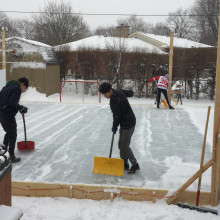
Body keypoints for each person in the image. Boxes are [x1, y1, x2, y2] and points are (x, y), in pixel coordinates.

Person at [99, 82, 140, 174]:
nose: (105, 96)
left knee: (124, 146)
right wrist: (128, 94)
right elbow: (130, 93)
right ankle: (124, 163)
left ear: (110, 91)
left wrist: (114, 126)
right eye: (103, 94)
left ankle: (135, 164)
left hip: (128, 123)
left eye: (105, 93)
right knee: (120, 145)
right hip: (126, 121)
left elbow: (117, 116)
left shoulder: (114, 100)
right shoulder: (118, 91)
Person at [0, 77, 29, 163]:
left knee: (9, 132)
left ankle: (3, 152)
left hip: (1, 112)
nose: (24, 90)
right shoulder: (17, 88)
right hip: (7, 113)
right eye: (25, 88)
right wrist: (21, 108)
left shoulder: (7, 87)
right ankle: (11, 156)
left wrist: (19, 108)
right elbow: (12, 103)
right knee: (12, 134)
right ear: (23, 84)